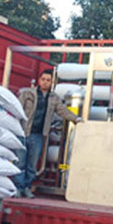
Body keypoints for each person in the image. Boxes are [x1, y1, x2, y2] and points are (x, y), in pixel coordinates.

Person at [15, 69, 82, 197]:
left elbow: (62, 111)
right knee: (20, 162)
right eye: (43, 79)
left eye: (48, 80)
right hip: (23, 132)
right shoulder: (27, 94)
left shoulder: (54, 98)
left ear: (52, 82)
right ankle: (18, 188)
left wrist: (76, 119)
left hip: (38, 135)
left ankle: (27, 187)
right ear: (39, 80)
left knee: (32, 164)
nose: (45, 82)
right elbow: (17, 109)